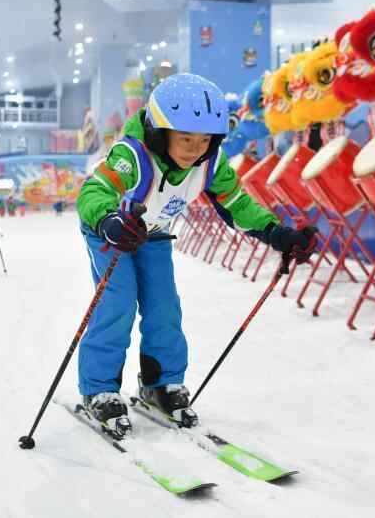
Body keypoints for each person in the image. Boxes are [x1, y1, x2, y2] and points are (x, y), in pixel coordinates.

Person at [76, 73, 317, 436]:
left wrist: (277, 233)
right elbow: (93, 192)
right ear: (160, 132)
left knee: (164, 306)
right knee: (118, 301)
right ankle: (100, 388)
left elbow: (237, 204)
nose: (194, 149)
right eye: (185, 138)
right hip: (112, 231)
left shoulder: (210, 163)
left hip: (154, 234)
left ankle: (160, 383)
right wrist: (109, 220)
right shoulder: (133, 155)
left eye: (204, 140)